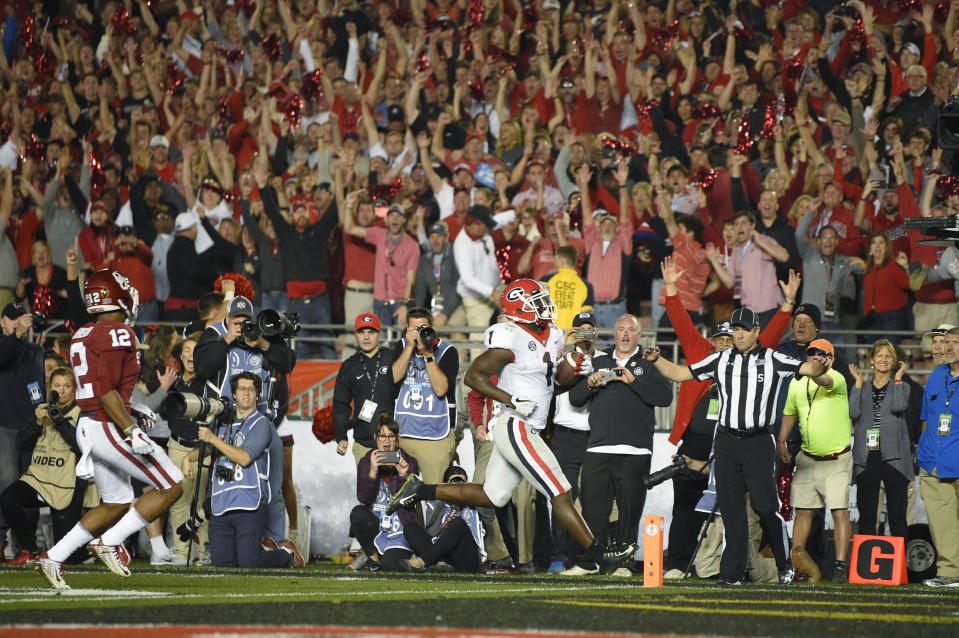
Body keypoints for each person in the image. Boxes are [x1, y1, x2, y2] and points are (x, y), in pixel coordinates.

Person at [385, 279, 637, 575]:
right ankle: (596, 555)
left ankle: (420, 489)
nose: (544, 306)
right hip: (514, 424)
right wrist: (511, 399)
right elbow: (474, 377)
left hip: (529, 425)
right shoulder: (509, 335)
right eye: (536, 302)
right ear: (520, 308)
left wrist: (572, 368)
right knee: (560, 490)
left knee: (492, 496)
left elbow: (554, 385)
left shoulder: (554, 334)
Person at [646, 306, 827, 586]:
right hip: (727, 441)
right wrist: (657, 360)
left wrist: (820, 367)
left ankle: (784, 563)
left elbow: (806, 367)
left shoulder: (772, 358)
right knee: (730, 510)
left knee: (767, 506)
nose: (739, 334)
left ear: (757, 332)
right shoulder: (720, 359)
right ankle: (732, 573)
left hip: (757, 441)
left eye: (744, 329)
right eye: (736, 329)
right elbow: (682, 374)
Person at [37, 270, 184, 589]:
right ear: (111, 296)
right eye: (125, 289)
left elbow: (101, 388)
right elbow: (105, 390)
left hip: (90, 424)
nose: (131, 295)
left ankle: (53, 556)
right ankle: (111, 540)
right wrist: (131, 428)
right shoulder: (117, 332)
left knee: (116, 502)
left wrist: (133, 407)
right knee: (173, 484)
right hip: (108, 426)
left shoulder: (83, 333)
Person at [567, 314, 672, 575]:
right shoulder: (598, 362)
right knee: (592, 509)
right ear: (614, 334)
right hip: (598, 447)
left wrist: (632, 380)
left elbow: (665, 397)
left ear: (639, 336)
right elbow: (575, 398)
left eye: (631, 330)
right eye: (621, 329)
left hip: (635, 450)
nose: (625, 334)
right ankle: (589, 561)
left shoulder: (647, 365)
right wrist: (590, 383)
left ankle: (623, 563)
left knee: (629, 510)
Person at [180, 372, 302, 568]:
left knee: (249, 562)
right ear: (234, 394)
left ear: (257, 395)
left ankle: (286, 555)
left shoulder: (262, 424)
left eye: (251, 390)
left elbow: (244, 458)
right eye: (242, 389)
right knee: (223, 564)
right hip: (221, 502)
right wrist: (188, 458)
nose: (246, 394)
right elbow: (209, 448)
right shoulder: (222, 422)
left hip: (248, 502)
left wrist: (212, 438)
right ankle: (258, 550)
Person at [778, 339, 853, 584]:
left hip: (835, 459)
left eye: (822, 354)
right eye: (812, 353)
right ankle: (798, 566)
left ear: (831, 358)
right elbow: (790, 412)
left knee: (839, 511)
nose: (817, 356)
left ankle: (840, 566)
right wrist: (782, 440)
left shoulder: (836, 378)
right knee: (803, 512)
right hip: (808, 457)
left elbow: (823, 379)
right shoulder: (796, 384)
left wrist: (815, 370)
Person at [0, 368, 85, 565]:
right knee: (8, 499)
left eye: (66, 386)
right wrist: (36, 422)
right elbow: (21, 444)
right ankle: (32, 549)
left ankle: (98, 548)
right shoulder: (42, 410)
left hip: (66, 484)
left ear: (74, 390)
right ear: (50, 388)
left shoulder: (81, 414)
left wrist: (60, 421)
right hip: (37, 479)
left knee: (68, 556)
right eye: (57, 386)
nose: (61, 391)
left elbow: (80, 445)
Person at [546, 311, 598, 573]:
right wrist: (563, 348)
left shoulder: (603, 361)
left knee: (593, 500)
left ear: (597, 333)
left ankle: (589, 556)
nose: (585, 335)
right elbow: (547, 379)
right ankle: (559, 555)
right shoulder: (561, 359)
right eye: (581, 329)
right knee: (562, 497)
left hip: (594, 438)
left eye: (590, 329)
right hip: (565, 435)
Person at [848, 340, 913, 543]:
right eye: (879, 356)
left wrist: (899, 378)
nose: (883, 359)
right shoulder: (861, 386)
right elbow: (853, 412)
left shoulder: (902, 385)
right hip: (867, 457)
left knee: (897, 518)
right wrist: (858, 384)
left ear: (894, 361)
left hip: (894, 458)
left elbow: (897, 406)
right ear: (872, 360)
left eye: (888, 356)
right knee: (867, 518)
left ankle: (900, 571)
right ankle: (866, 569)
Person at [349, 413, 425, 572]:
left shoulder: (409, 462)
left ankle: (406, 558)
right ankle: (373, 559)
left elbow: (409, 500)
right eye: (382, 436)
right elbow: (364, 498)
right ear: (376, 438)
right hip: (377, 526)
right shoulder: (367, 461)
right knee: (357, 513)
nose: (387, 441)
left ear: (397, 440)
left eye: (391, 436)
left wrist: (402, 475)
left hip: (400, 530)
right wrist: (373, 471)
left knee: (390, 566)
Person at [390, 307, 458, 484]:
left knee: (434, 496)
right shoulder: (402, 346)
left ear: (432, 327)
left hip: (434, 438)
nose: (419, 333)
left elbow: (441, 389)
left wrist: (428, 355)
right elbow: (393, 378)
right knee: (402, 495)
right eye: (414, 329)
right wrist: (410, 347)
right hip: (404, 434)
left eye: (423, 329)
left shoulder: (447, 351)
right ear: (406, 328)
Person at [0, 302, 46, 557]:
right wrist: (16, 337)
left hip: (30, 426)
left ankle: (27, 544)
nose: (17, 323)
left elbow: (37, 385)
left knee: (29, 485)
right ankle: (0, 539)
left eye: (21, 318)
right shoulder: (4, 345)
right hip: (4, 426)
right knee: (6, 482)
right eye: (12, 318)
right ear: (2, 321)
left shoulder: (35, 351)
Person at [916, 327, 959, 587]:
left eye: (955, 342)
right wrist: (923, 452)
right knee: (942, 524)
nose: (949, 347)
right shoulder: (935, 376)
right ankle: (950, 572)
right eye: (947, 342)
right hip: (933, 463)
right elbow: (926, 418)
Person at [333, 313, 399, 463]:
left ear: (379, 334)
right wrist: (342, 436)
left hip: (395, 442)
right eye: (362, 332)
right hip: (364, 444)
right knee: (367, 486)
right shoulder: (349, 366)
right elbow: (340, 404)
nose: (366, 337)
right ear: (356, 335)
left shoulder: (393, 357)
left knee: (397, 487)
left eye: (371, 332)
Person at [407, 464, 487, 572]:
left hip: (467, 558)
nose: (458, 488)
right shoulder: (438, 504)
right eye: (453, 484)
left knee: (458, 524)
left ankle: (423, 561)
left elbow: (489, 517)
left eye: (462, 484)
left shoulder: (476, 502)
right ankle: (439, 565)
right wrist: (443, 496)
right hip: (442, 557)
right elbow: (431, 532)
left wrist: (469, 495)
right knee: (410, 528)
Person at [542, 245, 594, 330]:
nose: (554, 263)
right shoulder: (586, 285)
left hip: (550, 333)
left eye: (556, 260)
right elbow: (585, 315)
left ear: (561, 262)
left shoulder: (546, 281)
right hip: (573, 335)